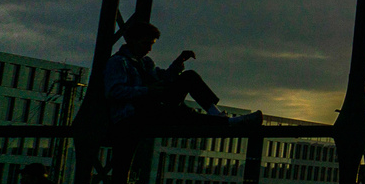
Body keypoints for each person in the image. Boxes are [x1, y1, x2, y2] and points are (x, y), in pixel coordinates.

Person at [105, 18, 261, 136]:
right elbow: (114, 91)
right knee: (184, 114)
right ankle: (226, 122)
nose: (149, 49)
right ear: (133, 41)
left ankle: (219, 117)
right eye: (146, 44)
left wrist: (178, 63)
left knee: (189, 78)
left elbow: (164, 79)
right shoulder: (118, 62)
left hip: (152, 106)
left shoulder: (145, 62)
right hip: (134, 114)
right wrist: (147, 91)